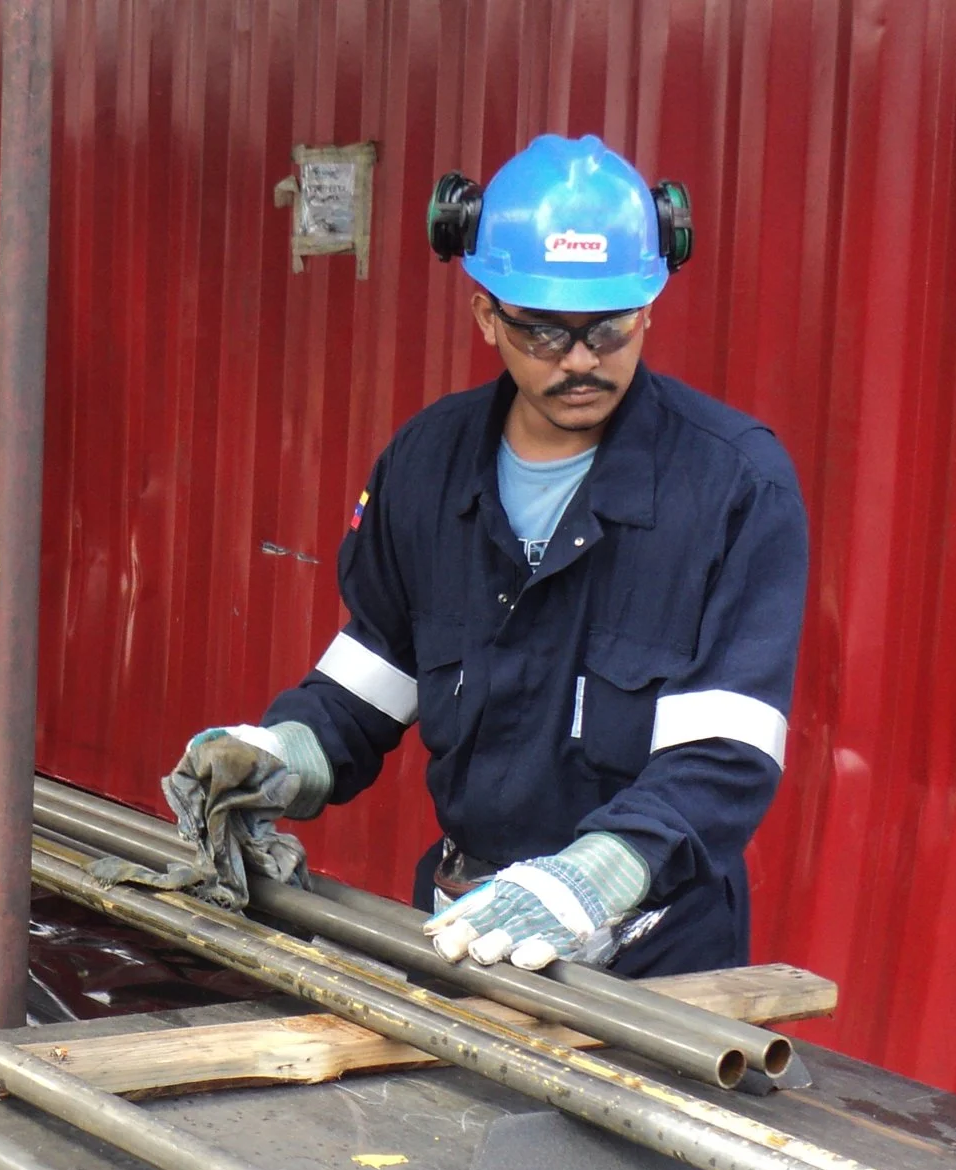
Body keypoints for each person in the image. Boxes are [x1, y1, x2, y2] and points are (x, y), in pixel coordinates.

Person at [171, 135, 807, 979]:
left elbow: (725, 757)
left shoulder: (733, 486)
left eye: (609, 327)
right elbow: (373, 683)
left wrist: (592, 878)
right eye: (544, 332)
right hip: (467, 927)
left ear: (650, 306)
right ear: (485, 314)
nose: (580, 359)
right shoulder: (428, 465)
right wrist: (281, 754)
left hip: (657, 963)